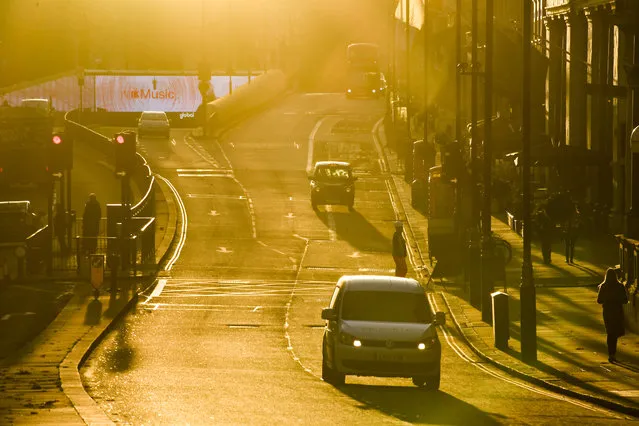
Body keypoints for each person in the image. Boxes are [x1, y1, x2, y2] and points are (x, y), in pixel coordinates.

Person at [597, 268, 628, 362]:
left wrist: (607, 300)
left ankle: (611, 354)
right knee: (615, 332)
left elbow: (599, 300)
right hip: (617, 311)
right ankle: (612, 353)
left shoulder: (603, 286)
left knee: (610, 332)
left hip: (607, 312)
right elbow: (625, 300)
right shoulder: (619, 286)